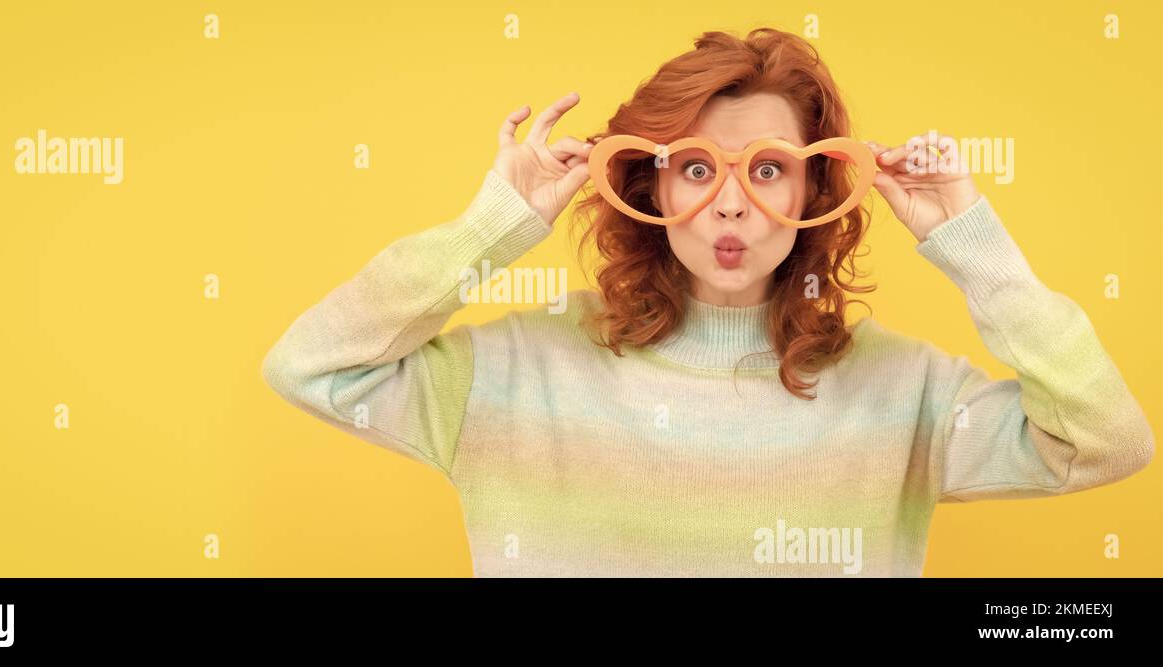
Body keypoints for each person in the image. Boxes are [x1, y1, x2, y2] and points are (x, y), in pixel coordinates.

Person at [262, 28, 1154, 576]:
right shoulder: (516, 372)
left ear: (813, 192)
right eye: (697, 167)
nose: (731, 202)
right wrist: (492, 228)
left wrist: (970, 241)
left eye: (767, 169)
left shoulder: (904, 391)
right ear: (649, 190)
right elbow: (310, 367)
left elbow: (1106, 440)